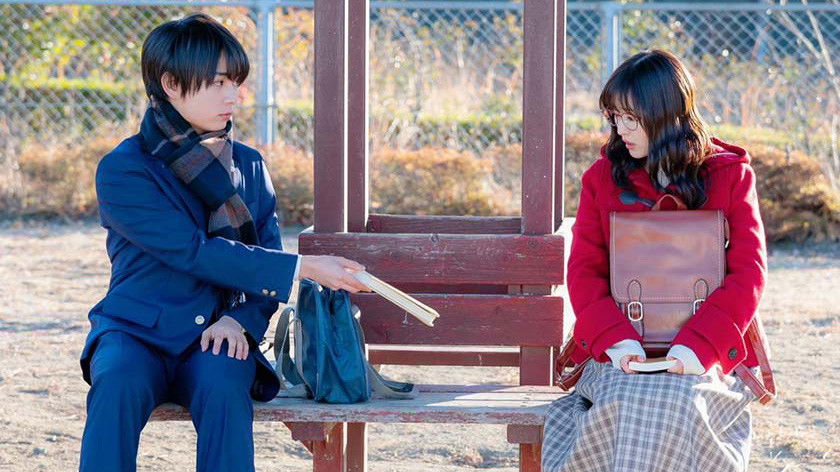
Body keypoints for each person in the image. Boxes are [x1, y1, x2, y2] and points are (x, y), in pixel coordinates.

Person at [78, 14, 369, 472]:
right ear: (171, 83)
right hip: (136, 331)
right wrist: (304, 268)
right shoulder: (125, 168)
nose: (233, 96)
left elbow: (264, 259)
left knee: (224, 384)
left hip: (217, 333)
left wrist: (241, 321)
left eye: (235, 82)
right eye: (217, 82)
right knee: (115, 383)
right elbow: (191, 250)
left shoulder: (249, 165)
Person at [542, 50, 767, 471]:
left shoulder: (729, 175)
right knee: (624, 400)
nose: (620, 129)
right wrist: (617, 340)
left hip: (706, 349)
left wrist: (699, 346)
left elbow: (748, 274)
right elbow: (585, 272)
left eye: (632, 118)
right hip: (621, 347)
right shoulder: (602, 178)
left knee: (683, 402)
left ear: (666, 114)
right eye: (615, 117)